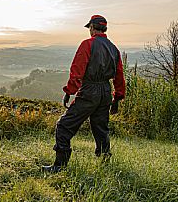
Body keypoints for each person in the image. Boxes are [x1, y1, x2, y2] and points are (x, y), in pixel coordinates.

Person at [42, 14, 125, 172]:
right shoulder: (114, 49)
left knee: (64, 126)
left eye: (90, 28)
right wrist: (117, 98)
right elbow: (119, 76)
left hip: (89, 91)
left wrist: (69, 91)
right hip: (105, 92)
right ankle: (105, 163)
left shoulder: (88, 44)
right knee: (101, 128)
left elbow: (77, 71)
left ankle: (59, 165)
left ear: (92, 28)